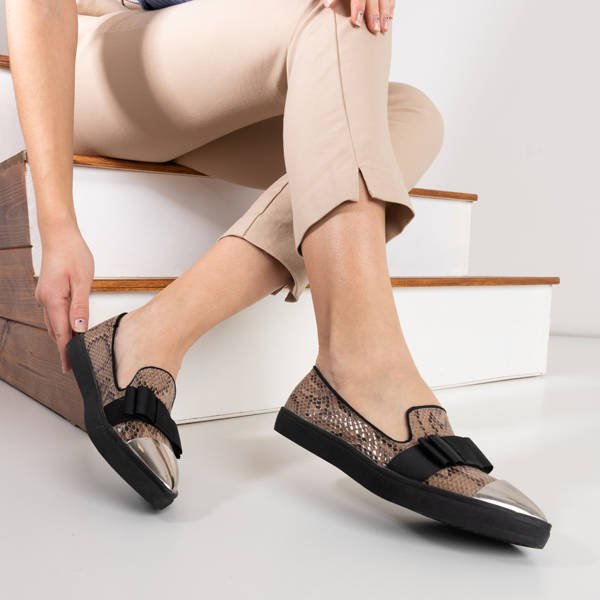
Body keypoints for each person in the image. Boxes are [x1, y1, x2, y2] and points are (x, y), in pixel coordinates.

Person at [6, 0, 551, 548]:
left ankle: (152, 333)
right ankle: (362, 365)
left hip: (202, 77)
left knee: (411, 115)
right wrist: (58, 224)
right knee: (338, 15)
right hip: (92, 64)